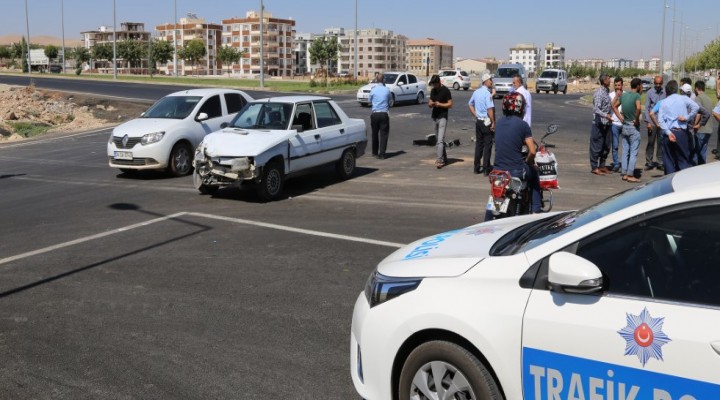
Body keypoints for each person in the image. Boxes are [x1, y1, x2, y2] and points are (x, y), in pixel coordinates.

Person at [493, 92, 541, 213]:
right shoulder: (523, 125)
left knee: (495, 200)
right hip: (515, 170)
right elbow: (533, 151)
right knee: (535, 172)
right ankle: (536, 209)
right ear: (521, 108)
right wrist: (528, 162)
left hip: (497, 171)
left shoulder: (498, 123)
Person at [658, 80, 699, 174]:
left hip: (668, 133)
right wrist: (687, 118)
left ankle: (669, 183)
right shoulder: (683, 98)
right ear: (676, 89)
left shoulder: (663, 102)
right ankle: (683, 183)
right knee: (683, 159)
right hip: (681, 132)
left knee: (668, 161)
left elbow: (660, 121)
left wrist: (668, 133)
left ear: (666, 91)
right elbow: (695, 107)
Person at [613, 77, 643, 183]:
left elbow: (614, 106)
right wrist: (636, 119)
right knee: (633, 152)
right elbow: (638, 107)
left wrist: (621, 118)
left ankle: (624, 173)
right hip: (633, 127)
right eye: (641, 85)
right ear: (638, 85)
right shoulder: (637, 96)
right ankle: (630, 174)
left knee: (625, 151)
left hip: (625, 125)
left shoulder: (624, 95)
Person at [468, 73, 495, 175]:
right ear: (486, 81)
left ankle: (476, 167)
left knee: (479, 144)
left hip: (478, 121)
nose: (491, 82)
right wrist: (493, 122)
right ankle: (486, 168)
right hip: (486, 121)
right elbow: (490, 110)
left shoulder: (476, 92)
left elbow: (470, 104)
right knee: (488, 145)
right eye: (490, 80)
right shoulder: (487, 94)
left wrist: (475, 114)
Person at [427, 74, 453, 168]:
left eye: (435, 84)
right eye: (432, 84)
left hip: (443, 117)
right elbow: (430, 102)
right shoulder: (433, 91)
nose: (434, 86)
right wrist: (430, 104)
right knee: (438, 140)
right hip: (435, 117)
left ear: (439, 82)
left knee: (440, 140)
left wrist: (440, 104)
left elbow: (450, 104)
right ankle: (444, 158)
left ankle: (440, 160)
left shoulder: (446, 91)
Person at [590, 73, 613, 175]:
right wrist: (605, 115)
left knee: (606, 145)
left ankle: (602, 165)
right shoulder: (599, 93)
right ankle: (594, 167)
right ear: (604, 81)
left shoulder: (607, 92)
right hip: (599, 124)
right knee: (597, 145)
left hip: (607, 124)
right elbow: (596, 109)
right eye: (608, 79)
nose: (610, 80)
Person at [644, 75, 666, 171]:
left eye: (659, 84)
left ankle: (660, 162)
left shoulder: (665, 92)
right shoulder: (649, 93)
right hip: (652, 122)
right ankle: (649, 162)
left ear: (662, 83)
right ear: (654, 83)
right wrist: (648, 122)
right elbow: (647, 108)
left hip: (662, 122)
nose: (657, 85)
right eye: (656, 83)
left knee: (661, 143)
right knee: (651, 142)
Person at [368, 73, 392, 159]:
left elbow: (369, 101)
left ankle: (374, 152)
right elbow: (390, 101)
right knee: (384, 134)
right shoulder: (387, 90)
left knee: (374, 133)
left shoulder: (373, 90)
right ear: (383, 80)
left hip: (375, 113)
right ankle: (382, 154)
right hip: (384, 114)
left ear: (376, 80)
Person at [693, 81, 716, 164]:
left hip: (701, 130)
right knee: (702, 152)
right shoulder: (708, 98)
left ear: (696, 88)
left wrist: (695, 125)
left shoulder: (698, 98)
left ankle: (693, 171)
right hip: (709, 129)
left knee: (695, 152)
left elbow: (698, 113)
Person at [609, 77, 624, 172]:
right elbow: (610, 106)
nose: (617, 87)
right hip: (614, 123)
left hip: (624, 123)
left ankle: (625, 164)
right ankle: (616, 163)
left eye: (619, 85)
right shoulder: (610, 95)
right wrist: (616, 97)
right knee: (615, 145)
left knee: (626, 145)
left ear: (622, 85)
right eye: (616, 85)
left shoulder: (626, 95)